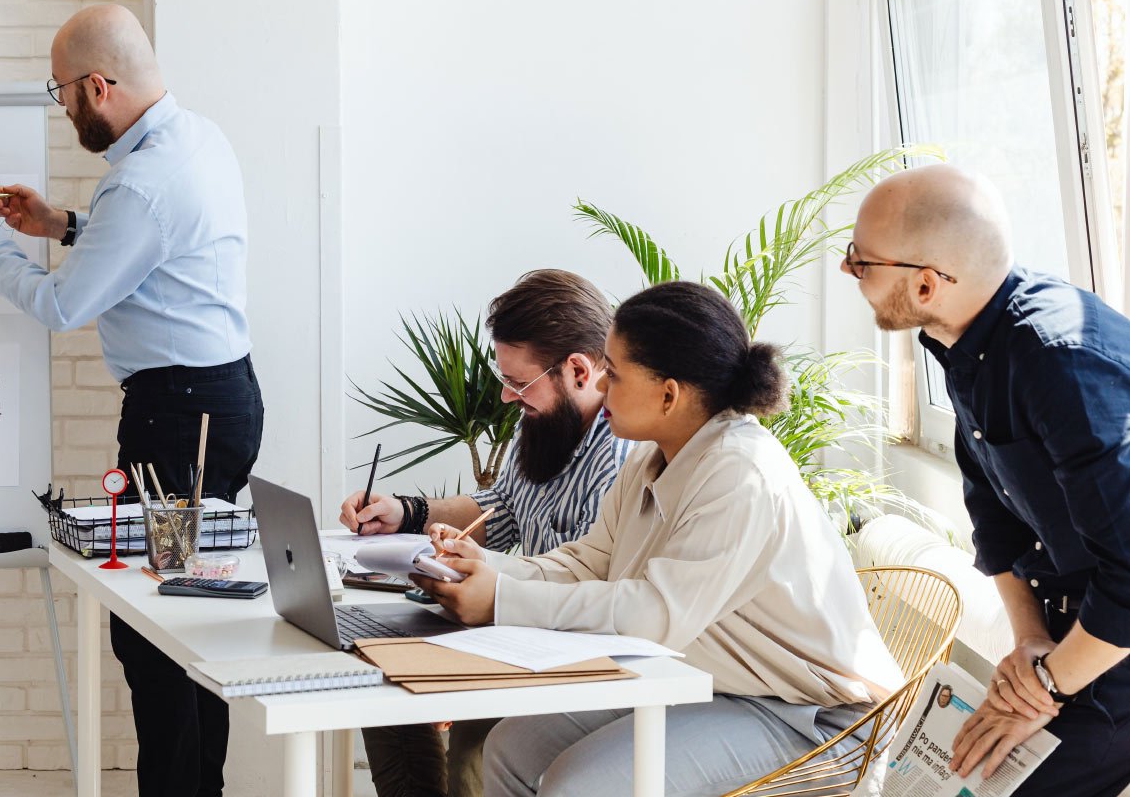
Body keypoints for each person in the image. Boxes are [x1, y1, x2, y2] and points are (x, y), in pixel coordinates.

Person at [416, 281, 901, 797]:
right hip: (717, 684)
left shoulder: (741, 472)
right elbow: (591, 561)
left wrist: (501, 598)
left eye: (616, 375)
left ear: (669, 394)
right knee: (512, 747)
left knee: (575, 787)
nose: (601, 386)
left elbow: (654, 616)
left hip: (814, 718)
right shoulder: (654, 456)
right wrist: (485, 569)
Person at [0, 3, 263, 797]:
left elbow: (62, 307)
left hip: (179, 418)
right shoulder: (196, 138)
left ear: (99, 85)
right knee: (185, 616)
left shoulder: (144, 181)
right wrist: (66, 223)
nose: (63, 110)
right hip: (208, 403)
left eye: (62, 92)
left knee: (157, 631)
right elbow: (155, 246)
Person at [843, 164, 1130, 796]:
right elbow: (995, 523)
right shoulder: (965, 342)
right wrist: (1029, 641)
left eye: (860, 262)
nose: (849, 273)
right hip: (1064, 637)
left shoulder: (1056, 361)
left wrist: (1045, 686)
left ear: (924, 285)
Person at [337, 268, 631, 797]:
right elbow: (503, 510)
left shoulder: (620, 456)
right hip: (513, 625)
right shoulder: (541, 418)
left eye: (519, 383)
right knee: (381, 683)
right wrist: (406, 511)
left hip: (570, 649)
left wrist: (488, 592)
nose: (505, 397)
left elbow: (595, 588)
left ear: (579, 370)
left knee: (473, 747)